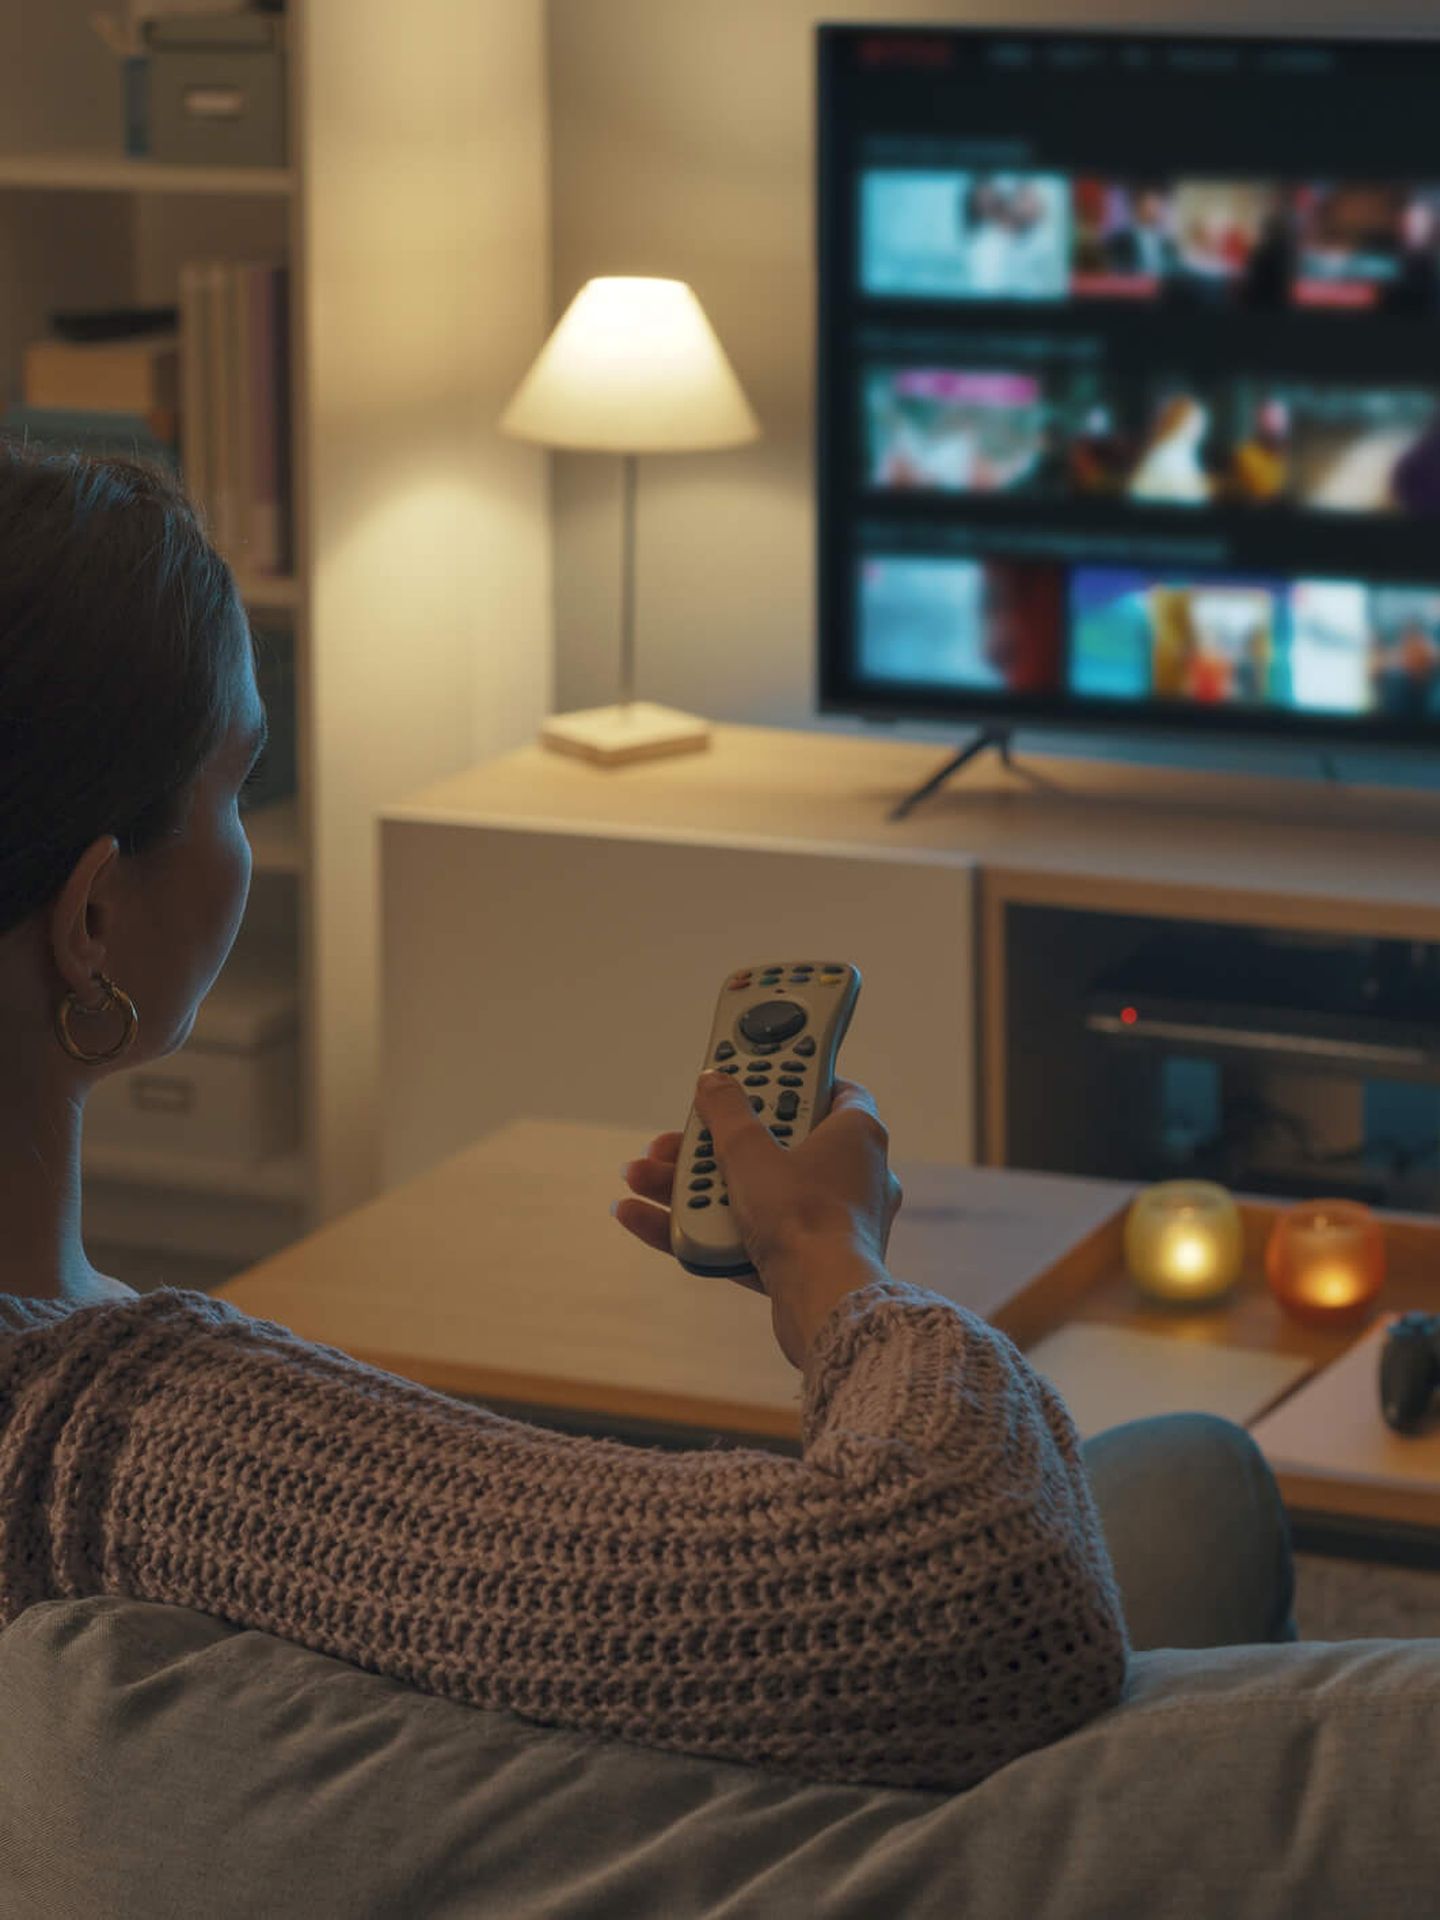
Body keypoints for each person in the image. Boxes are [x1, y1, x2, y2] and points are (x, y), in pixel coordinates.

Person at [0, 443, 1297, 1798]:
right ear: (93, 921)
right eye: (239, 784)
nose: (249, 835)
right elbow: (976, 1588)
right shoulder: (115, 1454)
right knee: (1198, 1485)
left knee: (1179, 1479)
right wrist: (827, 1262)